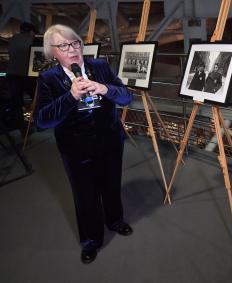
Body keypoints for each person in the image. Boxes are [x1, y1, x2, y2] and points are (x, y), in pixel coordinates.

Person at [35, 24, 133, 264]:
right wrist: (71, 97)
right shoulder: (48, 79)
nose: (73, 50)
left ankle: (115, 220)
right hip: (76, 149)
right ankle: (92, 240)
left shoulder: (99, 66)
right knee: (85, 195)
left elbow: (126, 96)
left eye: (76, 43)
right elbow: (43, 119)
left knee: (111, 185)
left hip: (110, 141)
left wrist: (105, 88)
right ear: (53, 52)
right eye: (64, 45)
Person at [6, 22, 37, 136]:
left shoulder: (13, 39)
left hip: (11, 75)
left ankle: (23, 129)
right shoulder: (32, 40)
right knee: (37, 98)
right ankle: (40, 124)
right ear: (31, 32)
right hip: (26, 75)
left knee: (17, 104)